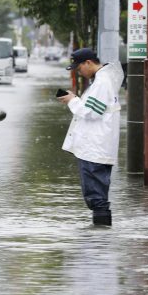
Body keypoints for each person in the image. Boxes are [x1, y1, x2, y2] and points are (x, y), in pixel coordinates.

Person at [58, 48, 123, 226]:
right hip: (97, 146)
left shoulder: (102, 82)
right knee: (97, 195)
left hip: (95, 148)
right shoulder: (103, 80)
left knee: (96, 197)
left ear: (88, 63)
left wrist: (72, 100)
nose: (79, 73)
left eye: (79, 69)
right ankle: (100, 242)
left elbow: (91, 111)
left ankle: (99, 242)